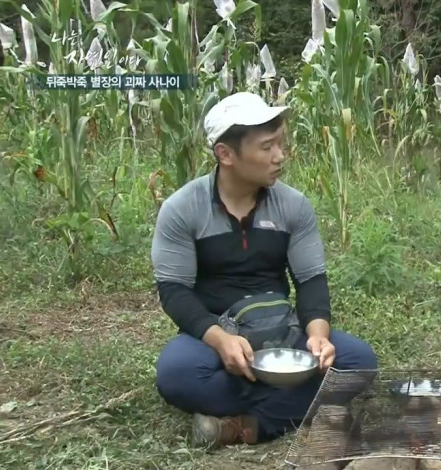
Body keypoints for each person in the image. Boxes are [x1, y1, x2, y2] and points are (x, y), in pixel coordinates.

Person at [150, 92, 378, 449]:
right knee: (176, 374)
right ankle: (297, 401)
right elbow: (174, 292)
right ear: (225, 154)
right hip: (213, 334)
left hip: (280, 330)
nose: (279, 157)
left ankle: (247, 425)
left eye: (280, 144)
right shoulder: (182, 210)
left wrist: (317, 335)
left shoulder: (293, 206)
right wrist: (221, 340)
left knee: (360, 362)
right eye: (267, 147)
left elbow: (311, 281)